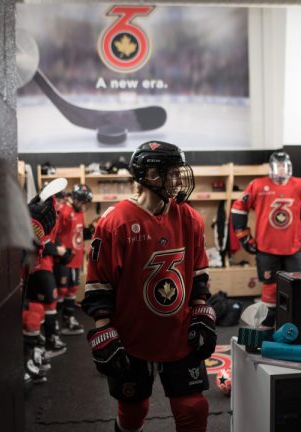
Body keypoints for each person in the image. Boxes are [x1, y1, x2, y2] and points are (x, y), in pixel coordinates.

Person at [82, 141, 216, 432]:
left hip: (179, 332)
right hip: (132, 336)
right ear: (151, 174)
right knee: (133, 409)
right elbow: (99, 282)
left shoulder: (189, 217)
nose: (179, 180)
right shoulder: (114, 222)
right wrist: (103, 327)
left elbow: (197, 272)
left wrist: (201, 309)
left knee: (193, 408)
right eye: (172, 173)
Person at [231, 151, 301, 329]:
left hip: (293, 248)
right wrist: (243, 236)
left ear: (289, 166)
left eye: (285, 165)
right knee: (269, 289)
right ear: (272, 167)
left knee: (298, 287)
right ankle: (266, 330)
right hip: (267, 248)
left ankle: (296, 329)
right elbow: (238, 209)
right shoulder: (257, 185)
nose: (282, 169)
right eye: (279, 165)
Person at [25, 192, 68, 359]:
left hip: (47, 264)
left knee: (42, 306)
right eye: (59, 201)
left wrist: (60, 252)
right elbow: (40, 242)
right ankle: (48, 342)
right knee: (47, 303)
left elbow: (50, 240)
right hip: (39, 266)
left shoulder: (53, 217)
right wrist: (57, 250)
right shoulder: (41, 216)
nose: (61, 205)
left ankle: (42, 344)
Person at [53, 183, 93, 335]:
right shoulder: (63, 210)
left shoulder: (80, 211)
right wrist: (59, 250)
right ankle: (55, 322)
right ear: (75, 198)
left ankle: (68, 319)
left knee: (72, 289)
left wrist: (93, 230)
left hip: (76, 257)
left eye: (85, 203)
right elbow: (54, 233)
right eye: (82, 201)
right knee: (61, 290)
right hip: (64, 258)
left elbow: (80, 233)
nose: (83, 205)